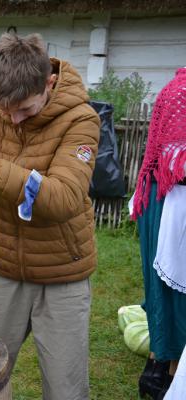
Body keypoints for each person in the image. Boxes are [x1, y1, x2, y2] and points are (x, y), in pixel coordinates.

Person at [0, 33, 100, 399]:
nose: (13, 119)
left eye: (25, 109)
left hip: (63, 274)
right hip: (5, 269)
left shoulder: (81, 120)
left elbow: (64, 197)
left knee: (65, 388)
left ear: (50, 82)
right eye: (5, 109)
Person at [130, 66, 186, 400]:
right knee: (171, 292)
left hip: (160, 197)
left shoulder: (175, 87)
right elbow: (176, 163)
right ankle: (166, 370)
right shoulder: (181, 94)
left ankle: (157, 367)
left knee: (163, 289)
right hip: (172, 203)